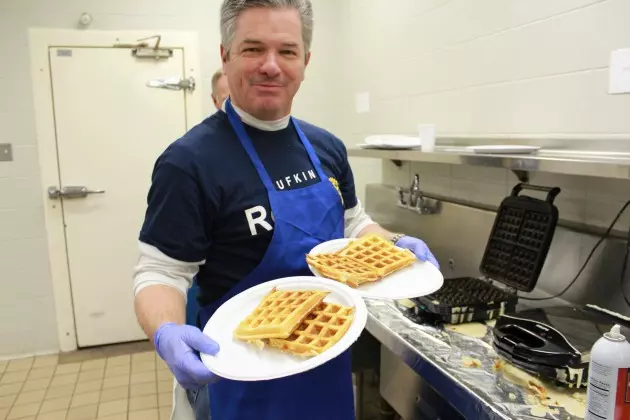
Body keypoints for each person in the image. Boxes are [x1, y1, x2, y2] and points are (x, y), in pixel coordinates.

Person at [132, 1, 440, 419]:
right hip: (241, 375)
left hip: (326, 361)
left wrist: (396, 244)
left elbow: (353, 224)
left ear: (305, 61)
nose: (271, 66)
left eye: (287, 51)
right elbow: (161, 271)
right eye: (253, 49)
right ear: (226, 55)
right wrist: (166, 331)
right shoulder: (189, 162)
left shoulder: (327, 147)